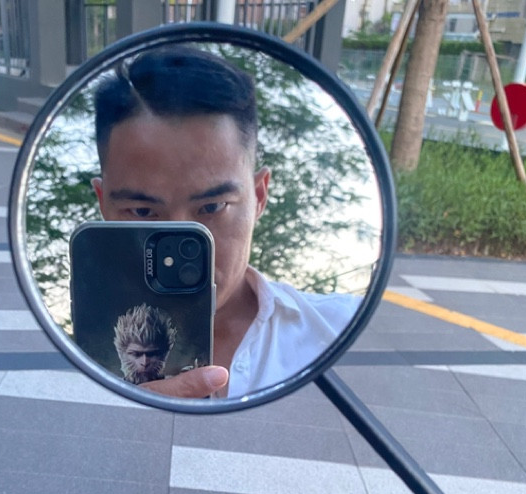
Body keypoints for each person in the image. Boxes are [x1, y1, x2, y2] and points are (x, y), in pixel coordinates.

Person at [92, 46, 359, 398]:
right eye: (142, 211)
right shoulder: (72, 352)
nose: (179, 241)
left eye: (212, 206)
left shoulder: (341, 329)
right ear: (103, 204)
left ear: (259, 196)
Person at [113, 303, 177, 384]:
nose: (145, 362)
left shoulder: (177, 386)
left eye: (152, 354)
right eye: (136, 354)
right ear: (121, 354)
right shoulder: (109, 387)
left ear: (164, 355)